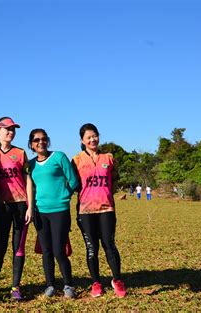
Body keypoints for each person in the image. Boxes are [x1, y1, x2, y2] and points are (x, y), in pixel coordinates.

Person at [72, 123, 127, 298]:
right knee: (91, 248)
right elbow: (73, 184)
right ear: (82, 140)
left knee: (109, 245)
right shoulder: (76, 160)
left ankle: (117, 280)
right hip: (86, 210)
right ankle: (96, 283)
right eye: (88, 137)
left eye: (94, 135)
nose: (92, 139)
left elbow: (115, 179)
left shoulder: (108, 157)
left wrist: (108, 194)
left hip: (106, 208)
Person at [28, 128, 78, 299]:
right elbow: (30, 187)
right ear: (31, 145)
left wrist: (65, 196)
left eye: (43, 139)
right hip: (40, 212)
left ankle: (68, 285)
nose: (40, 142)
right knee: (46, 251)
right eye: (36, 140)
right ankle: (50, 285)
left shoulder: (59, 156)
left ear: (47, 141)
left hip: (60, 211)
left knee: (59, 250)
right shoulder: (31, 164)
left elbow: (73, 180)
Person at [0, 117, 33, 301]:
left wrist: (30, 206)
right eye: (7, 129)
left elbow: (28, 180)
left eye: (13, 129)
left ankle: (16, 287)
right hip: (1, 206)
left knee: (19, 247)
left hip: (21, 204)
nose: (11, 132)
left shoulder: (20, 153)